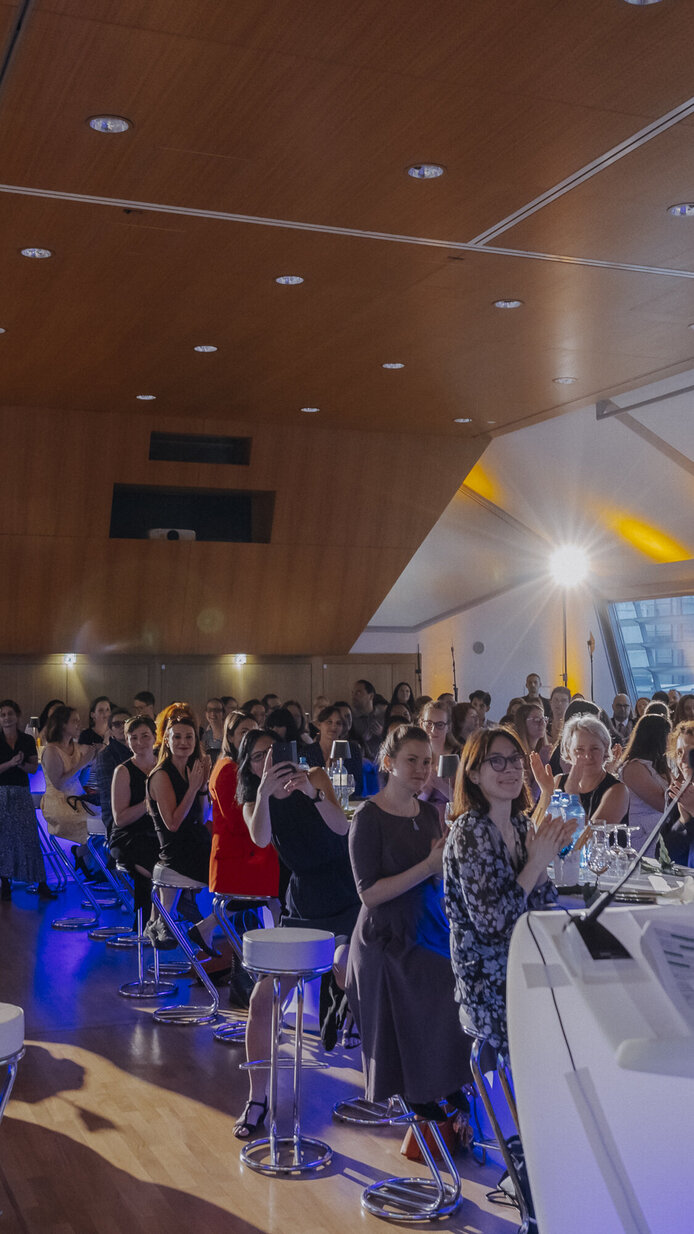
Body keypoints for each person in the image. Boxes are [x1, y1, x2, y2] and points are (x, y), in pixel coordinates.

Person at [233, 728, 358, 1138]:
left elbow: (342, 829)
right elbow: (262, 838)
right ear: (249, 766)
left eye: (274, 751)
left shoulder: (316, 776)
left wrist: (312, 791)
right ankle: (256, 1098)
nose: (268, 760)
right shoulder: (256, 800)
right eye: (257, 757)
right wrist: (266, 792)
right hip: (301, 905)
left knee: (346, 970)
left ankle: (385, 1084)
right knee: (262, 998)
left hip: (343, 897)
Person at [346, 725, 472, 1116]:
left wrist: (446, 864)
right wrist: (428, 866)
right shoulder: (368, 817)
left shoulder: (431, 812)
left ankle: (446, 1078)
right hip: (386, 934)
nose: (421, 769)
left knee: (466, 971)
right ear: (389, 763)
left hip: (428, 923)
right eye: (411, 761)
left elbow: (436, 877)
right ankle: (419, 1086)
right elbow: (369, 894)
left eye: (427, 762)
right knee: (438, 975)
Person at [443, 727, 573, 1053]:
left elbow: (542, 905)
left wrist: (540, 866)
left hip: (522, 961)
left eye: (515, 759)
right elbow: (492, 924)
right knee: (563, 1027)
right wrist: (534, 864)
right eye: (497, 762)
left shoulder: (520, 824)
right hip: (488, 981)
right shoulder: (470, 831)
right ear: (473, 774)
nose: (512, 769)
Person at [147, 710, 217, 954]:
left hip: (196, 843)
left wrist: (202, 788)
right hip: (177, 852)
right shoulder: (161, 775)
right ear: (167, 740)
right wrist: (193, 788)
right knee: (238, 881)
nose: (183, 743)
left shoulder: (191, 770)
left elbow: (202, 815)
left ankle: (180, 920)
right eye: (177, 737)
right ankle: (204, 927)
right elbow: (173, 824)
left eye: (189, 737)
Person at [208, 711, 279, 899]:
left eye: (254, 731)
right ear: (230, 737)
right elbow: (237, 823)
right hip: (237, 856)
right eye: (244, 732)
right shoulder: (228, 769)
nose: (250, 737)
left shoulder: (239, 767)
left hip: (245, 852)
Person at [0, 699, 56, 901]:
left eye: (10, 714)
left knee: (29, 838)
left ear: (17, 716)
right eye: (3, 714)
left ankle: (41, 882)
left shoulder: (26, 739)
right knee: (4, 840)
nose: (7, 718)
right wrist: (11, 762)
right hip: (1, 793)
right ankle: (5, 882)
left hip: (22, 791)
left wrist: (20, 764)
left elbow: (33, 768)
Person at [110, 716, 161, 931]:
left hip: (157, 832)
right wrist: (147, 803)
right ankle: (148, 922)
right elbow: (120, 819)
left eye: (144, 736)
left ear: (155, 737)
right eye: (133, 738)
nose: (139, 742)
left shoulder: (162, 765)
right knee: (150, 866)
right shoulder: (123, 771)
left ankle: (157, 919)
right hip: (128, 834)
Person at [554, 715, 629, 827]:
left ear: (605, 750)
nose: (588, 756)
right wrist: (545, 791)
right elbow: (541, 828)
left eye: (595, 749)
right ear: (568, 752)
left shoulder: (617, 790)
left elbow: (590, 838)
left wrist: (572, 793)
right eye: (580, 749)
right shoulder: (558, 781)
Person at [41, 706, 98, 851]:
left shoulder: (76, 747)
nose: (79, 725)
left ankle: (84, 857)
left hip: (77, 799)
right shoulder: (51, 751)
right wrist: (83, 763)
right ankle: (83, 856)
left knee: (107, 820)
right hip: (58, 803)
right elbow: (60, 784)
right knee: (95, 824)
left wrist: (89, 765)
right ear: (62, 724)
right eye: (75, 721)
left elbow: (81, 781)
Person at [618, 714, 671, 849]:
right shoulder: (634, 768)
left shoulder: (657, 766)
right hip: (644, 837)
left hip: (660, 831)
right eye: (668, 735)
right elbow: (663, 803)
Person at [303, 705, 362, 790]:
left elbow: (358, 785)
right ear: (319, 725)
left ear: (342, 728)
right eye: (329, 722)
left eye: (338, 723)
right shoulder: (307, 752)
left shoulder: (352, 749)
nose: (334, 727)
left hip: (346, 799)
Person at [93, 709, 132, 839]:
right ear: (111, 729)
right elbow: (111, 796)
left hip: (137, 812)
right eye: (117, 724)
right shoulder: (106, 756)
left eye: (126, 722)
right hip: (115, 817)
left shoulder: (138, 752)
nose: (122, 727)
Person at [418, 700, 456, 824]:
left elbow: (466, 801)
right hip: (421, 821)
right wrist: (426, 791)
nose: (433, 730)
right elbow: (406, 804)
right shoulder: (415, 757)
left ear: (448, 727)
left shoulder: (456, 756)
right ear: (421, 724)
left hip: (451, 822)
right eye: (429, 723)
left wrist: (440, 785)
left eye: (439, 724)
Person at [663, 721, 694, 865]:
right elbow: (665, 855)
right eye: (680, 752)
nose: (682, 760)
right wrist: (684, 820)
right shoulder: (680, 793)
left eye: (691, 752)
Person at [350, 679, 383, 761]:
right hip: (359, 762)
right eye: (353, 693)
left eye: (358, 693)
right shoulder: (350, 718)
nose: (354, 696)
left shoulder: (383, 716)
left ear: (371, 696)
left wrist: (382, 733)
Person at [201, 698, 225, 765]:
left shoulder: (229, 733)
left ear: (223, 714)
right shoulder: (206, 735)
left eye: (217, 710)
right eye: (209, 710)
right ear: (206, 713)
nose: (213, 713)